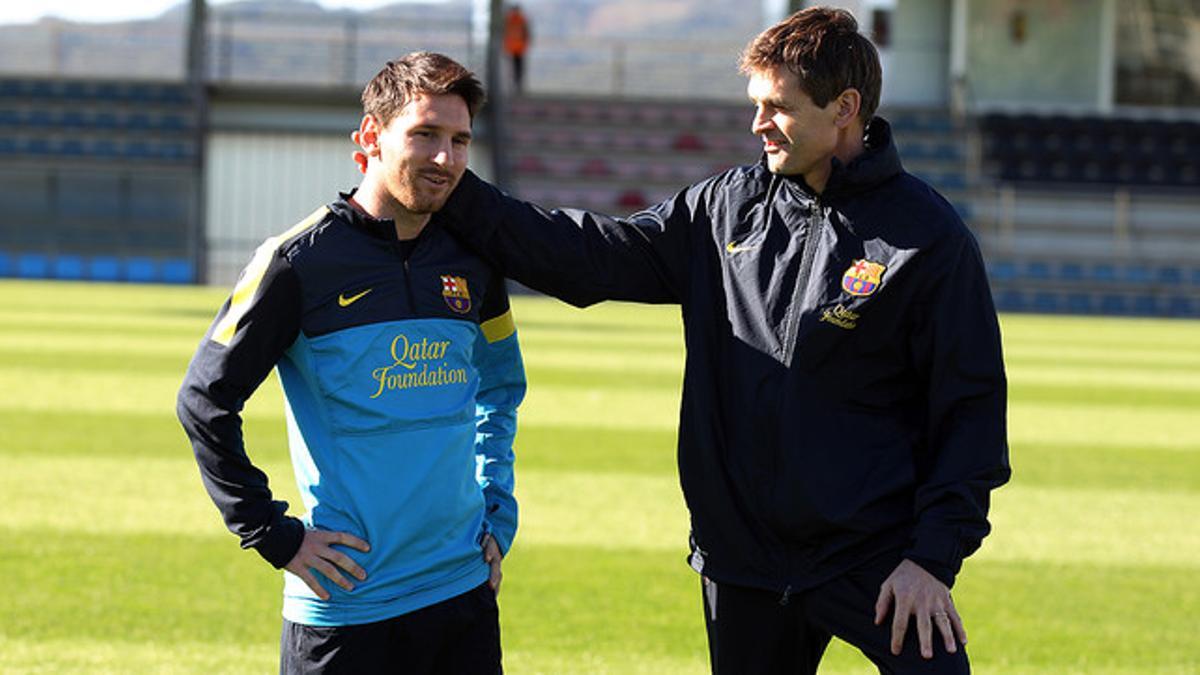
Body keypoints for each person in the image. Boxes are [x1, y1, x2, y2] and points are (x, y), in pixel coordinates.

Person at [428, 7, 1009, 674]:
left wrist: (931, 559)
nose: (758, 123)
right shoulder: (722, 210)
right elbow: (589, 255)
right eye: (756, 104)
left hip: (876, 555)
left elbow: (970, 413)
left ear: (844, 107)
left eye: (778, 106)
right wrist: (455, 189)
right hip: (744, 562)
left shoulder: (927, 238)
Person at [177, 51, 526, 674]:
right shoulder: (295, 262)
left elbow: (499, 388)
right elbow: (204, 401)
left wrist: (497, 511)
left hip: (461, 593)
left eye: (460, 139)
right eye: (424, 134)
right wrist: (272, 533)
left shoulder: (474, 261)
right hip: (346, 606)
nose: (445, 159)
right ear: (370, 137)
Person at [503, 4, 531, 94]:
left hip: (514, 48)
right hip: (516, 48)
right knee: (517, 69)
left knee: (514, 69)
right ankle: (516, 86)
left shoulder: (510, 20)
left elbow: (526, 35)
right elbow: (527, 35)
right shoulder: (521, 20)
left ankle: (515, 86)